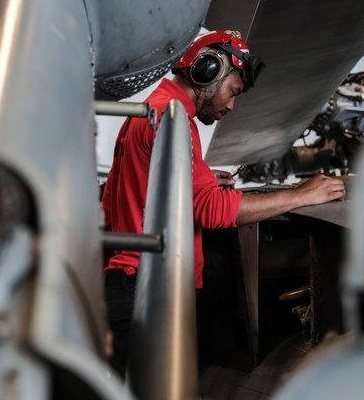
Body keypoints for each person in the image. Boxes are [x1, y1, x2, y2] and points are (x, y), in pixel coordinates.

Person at [100, 30, 345, 375]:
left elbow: (113, 200)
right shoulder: (174, 121)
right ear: (207, 72)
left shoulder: (144, 114)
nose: (231, 105)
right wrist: (300, 195)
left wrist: (185, 182)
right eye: (234, 91)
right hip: (154, 292)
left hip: (124, 290)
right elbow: (213, 211)